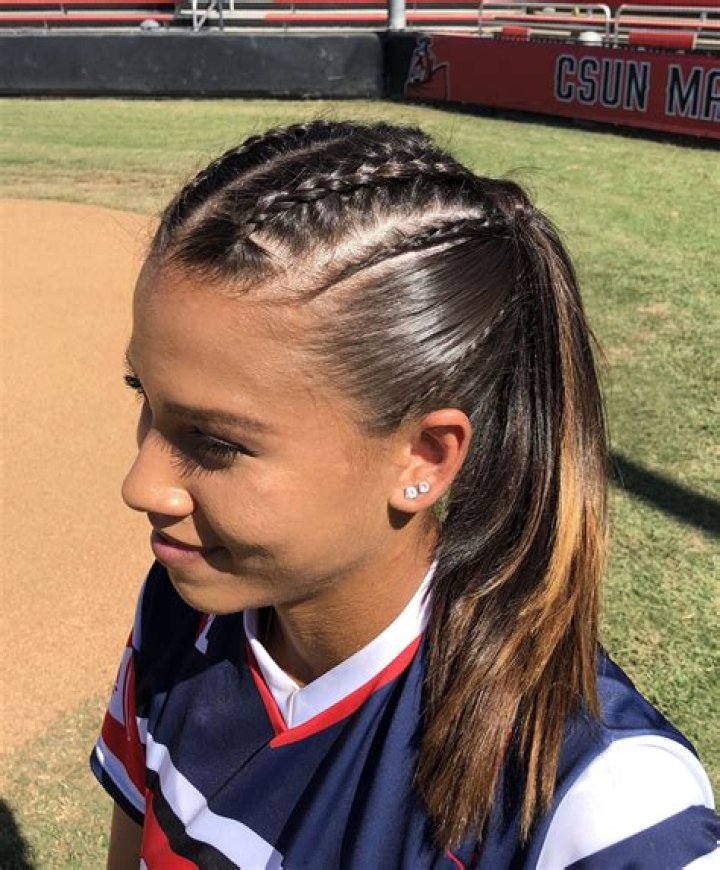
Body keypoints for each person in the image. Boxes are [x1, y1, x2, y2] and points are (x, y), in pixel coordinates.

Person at [90, 120, 718, 869]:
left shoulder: (601, 809)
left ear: (423, 456)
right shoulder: (181, 615)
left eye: (216, 442)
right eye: (145, 397)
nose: (143, 485)